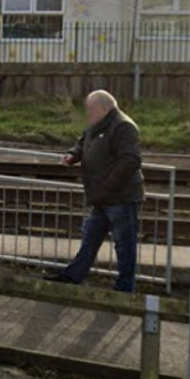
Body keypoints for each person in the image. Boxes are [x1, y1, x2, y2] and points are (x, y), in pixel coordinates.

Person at [45, 89, 144, 292]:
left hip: (121, 198)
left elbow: (130, 160)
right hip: (103, 197)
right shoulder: (97, 125)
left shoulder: (123, 126)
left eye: (91, 109)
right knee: (90, 237)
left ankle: (125, 288)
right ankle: (73, 276)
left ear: (105, 108)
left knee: (124, 245)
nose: (87, 113)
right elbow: (83, 143)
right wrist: (73, 155)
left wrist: (107, 186)